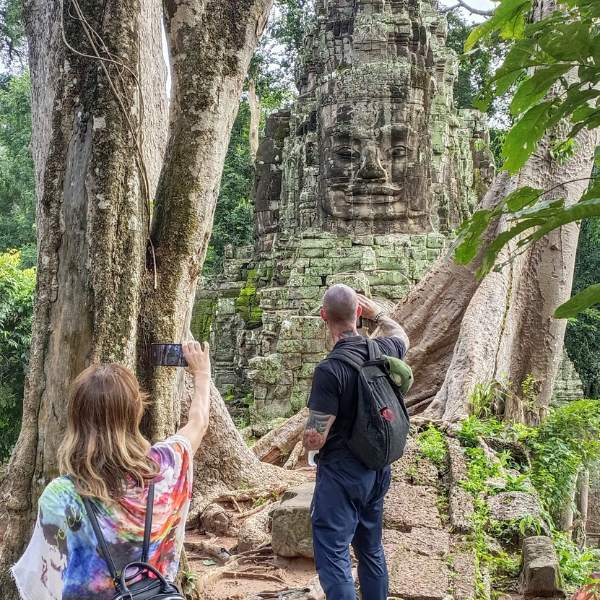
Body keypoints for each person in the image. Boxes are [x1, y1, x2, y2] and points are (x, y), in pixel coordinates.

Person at [12, 341, 211, 600]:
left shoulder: (62, 496)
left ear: (76, 417)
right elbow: (199, 423)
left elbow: (39, 586)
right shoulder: (165, 467)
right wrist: (202, 374)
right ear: (136, 411)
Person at [303, 284, 409, 600]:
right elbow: (402, 334)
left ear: (324, 316)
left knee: (333, 556)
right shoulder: (384, 350)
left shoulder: (330, 370)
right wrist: (380, 313)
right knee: (371, 549)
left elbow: (315, 439)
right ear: (358, 313)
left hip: (342, 474)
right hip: (377, 468)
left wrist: (307, 436)